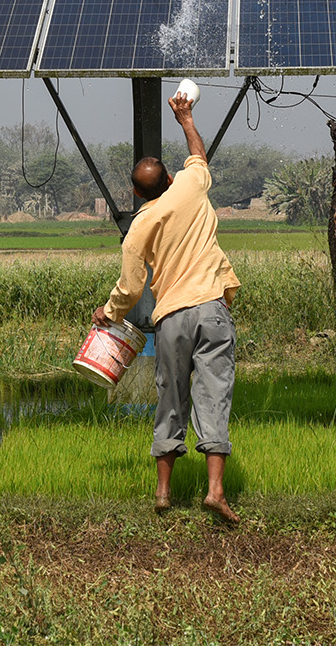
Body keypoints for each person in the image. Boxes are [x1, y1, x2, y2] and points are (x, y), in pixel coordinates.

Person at [94, 91, 242, 523]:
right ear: (170, 181)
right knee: (214, 398)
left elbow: (131, 286)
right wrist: (185, 118)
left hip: (173, 317)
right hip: (212, 311)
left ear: (138, 194)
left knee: (170, 401)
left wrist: (109, 313)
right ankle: (215, 492)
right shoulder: (192, 187)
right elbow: (198, 155)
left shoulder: (139, 225)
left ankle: (163, 493)